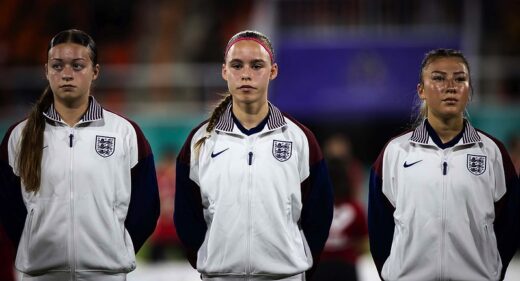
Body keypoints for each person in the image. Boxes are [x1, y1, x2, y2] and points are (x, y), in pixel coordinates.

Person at [0, 29, 160, 281]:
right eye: (57, 66)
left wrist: (114, 250)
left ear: (95, 71)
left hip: (106, 274)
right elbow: (7, 208)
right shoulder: (18, 136)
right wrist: (35, 248)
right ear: (46, 71)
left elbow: (146, 207)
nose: (66, 74)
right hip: (40, 275)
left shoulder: (125, 133)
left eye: (77, 66)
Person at [174, 30, 334, 281]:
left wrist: (297, 264)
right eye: (237, 65)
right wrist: (207, 259)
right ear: (224, 71)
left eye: (257, 65)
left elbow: (319, 214)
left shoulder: (299, 139)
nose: (246, 74)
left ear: (273, 71)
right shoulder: (200, 141)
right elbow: (186, 214)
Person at [368, 49, 520, 281]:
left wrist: (490, 271)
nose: (450, 86)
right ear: (421, 91)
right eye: (438, 78)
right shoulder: (395, 152)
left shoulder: (492, 153)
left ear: (469, 91)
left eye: (460, 79)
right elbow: (380, 227)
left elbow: (510, 223)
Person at [312, 134, 368, 281]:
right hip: (345, 267)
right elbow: (362, 244)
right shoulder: (355, 210)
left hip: (320, 267)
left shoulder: (312, 208)